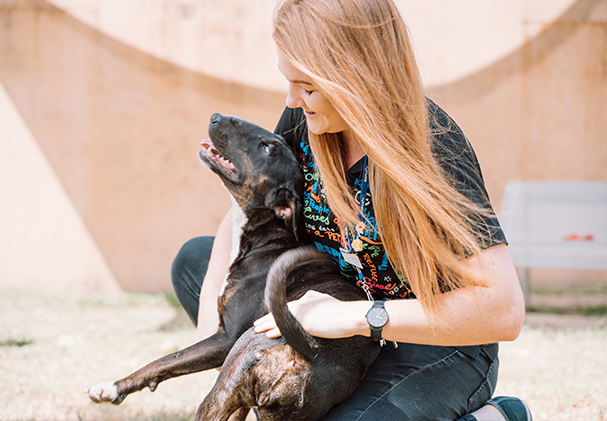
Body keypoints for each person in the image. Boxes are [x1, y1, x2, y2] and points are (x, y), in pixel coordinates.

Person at [172, 0, 532, 420]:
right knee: (195, 262)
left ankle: (496, 416)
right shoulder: (307, 117)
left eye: (308, 86)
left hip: (432, 343)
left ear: (355, 76)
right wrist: (220, 356)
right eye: (290, 82)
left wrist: (351, 317)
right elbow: (250, 214)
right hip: (338, 333)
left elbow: (503, 310)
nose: (292, 99)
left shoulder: (436, 147)